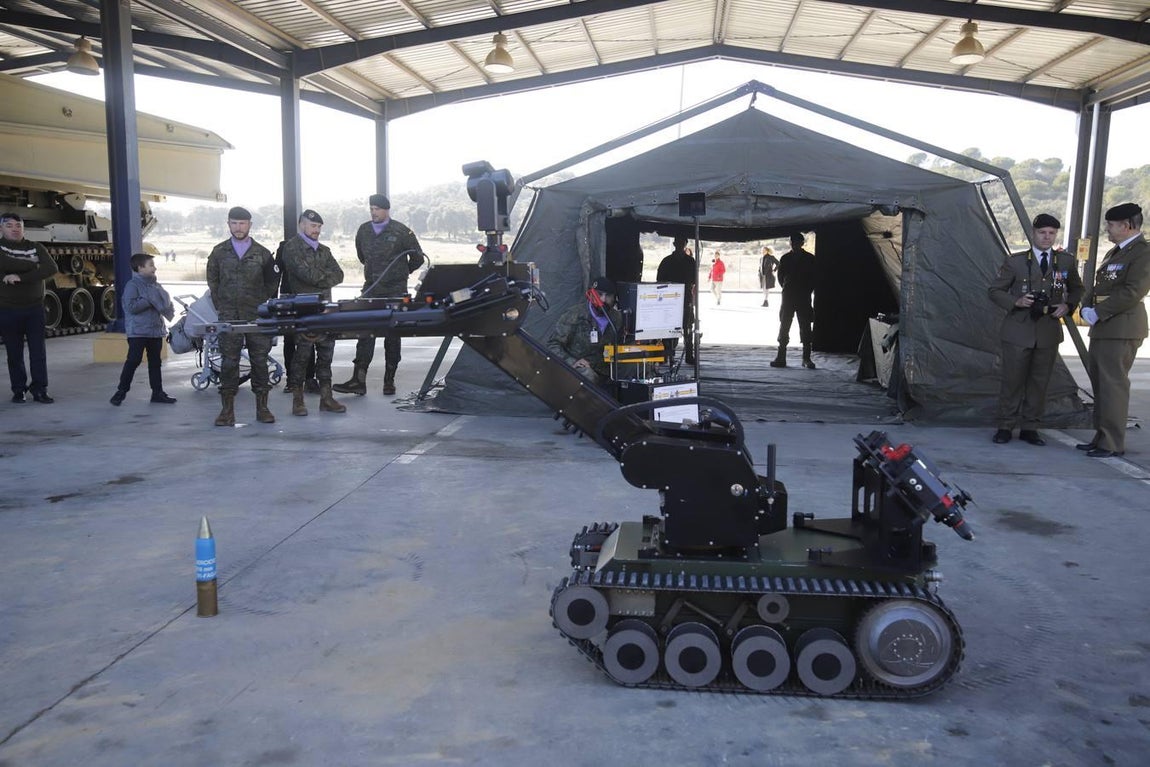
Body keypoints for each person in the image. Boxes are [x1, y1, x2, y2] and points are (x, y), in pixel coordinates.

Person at [987, 213, 1084, 445]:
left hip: (1048, 331)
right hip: (1018, 330)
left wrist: (1067, 305)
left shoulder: (1066, 261)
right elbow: (994, 290)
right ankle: (1005, 426)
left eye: (1052, 233)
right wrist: (1016, 302)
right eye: (1042, 233)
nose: (1047, 237)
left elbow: (1078, 289)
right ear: (1033, 233)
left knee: (1039, 382)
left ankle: (1030, 427)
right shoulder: (1016, 261)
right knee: (1012, 381)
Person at [1077, 202, 1150, 458]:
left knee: (1113, 386)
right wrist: (1087, 306)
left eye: (1111, 224)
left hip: (1122, 327)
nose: (1108, 228)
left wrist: (1099, 312)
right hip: (1105, 327)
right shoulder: (1116, 252)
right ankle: (1101, 436)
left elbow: (1134, 290)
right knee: (1101, 385)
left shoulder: (1142, 252)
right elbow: (1099, 287)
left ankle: (1112, 443)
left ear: (1127, 226)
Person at [334, 194, 424, 396]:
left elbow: (417, 257)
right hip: (371, 289)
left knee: (393, 334)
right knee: (365, 333)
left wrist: (400, 273)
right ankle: (358, 380)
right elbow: (361, 256)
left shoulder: (401, 231)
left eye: (377, 208)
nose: (373, 212)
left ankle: (389, 380)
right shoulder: (364, 230)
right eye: (371, 208)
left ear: (386, 210)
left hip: (395, 290)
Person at [206, 206, 280, 426]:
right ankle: (227, 411)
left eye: (242, 223)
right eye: (234, 223)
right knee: (229, 362)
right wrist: (223, 305)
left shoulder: (263, 253)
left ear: (250, 225)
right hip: (229, 316)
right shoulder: (219, 252)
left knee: (259, 360)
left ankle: (263, 408)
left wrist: (259, 300)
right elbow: (213, 281)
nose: (238, 228)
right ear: (228, 224)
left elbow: (272, 282)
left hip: (256, 315)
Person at [279, 210, 346, 417]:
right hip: (303, 310)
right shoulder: (291, 248)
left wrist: (321, 279)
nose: (316, 230)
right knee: (302, 356)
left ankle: (326, 398)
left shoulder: (324, 250)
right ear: (302, 225)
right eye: (312, 226)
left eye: (318, 227)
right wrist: (325, 278)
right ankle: (298, 400)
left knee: (326, 355)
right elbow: (305, 275)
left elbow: (340, 274)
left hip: (325, 310)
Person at [1, 212, 58, 403]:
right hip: (7, 309)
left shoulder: (36, 247)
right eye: (9, 226)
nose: (15, 229)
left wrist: (19, 277)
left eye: (18, 225)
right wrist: (33, 265)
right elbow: (4, 262)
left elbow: (51, 269)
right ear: (1, 228)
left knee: (38, 352)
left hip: (34, 308)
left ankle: (40, 389)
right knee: (14, 353)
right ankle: (19, 390)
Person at [110, 253, 177, 406]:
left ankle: (157, 393)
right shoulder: (133, 286)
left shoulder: (155, 285)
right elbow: (130, 307)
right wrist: (148, 299)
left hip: (155, 330)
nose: (155, 268)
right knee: (133, 361)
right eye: (151, 265)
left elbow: (164, 302)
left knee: (155, 363)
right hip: (138, 332)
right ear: (140, 268)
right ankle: (121, 391)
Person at [546, 276, 621, 385]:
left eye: (608, 296)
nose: (603, 300)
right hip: (579, 370)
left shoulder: (617, 318)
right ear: (591, 294)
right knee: (588, 375)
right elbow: (553, 345)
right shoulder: (574, 315)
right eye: (599, 294)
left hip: (605, 369)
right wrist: (572, 362)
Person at [772, 233, 818, 369]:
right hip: (789, 297)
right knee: (784, 325)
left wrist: (805, 289)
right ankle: (781, 357)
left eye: (796, 242)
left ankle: (806, 357)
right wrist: (789, 287)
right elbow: (781, 278)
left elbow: (814, 278)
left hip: (802, 297)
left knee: (805, 326)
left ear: (801, 243)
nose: (794, 244)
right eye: (792, 242)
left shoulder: (810, 259)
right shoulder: (785, 258)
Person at [656, 236, 697, 364]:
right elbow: (660, 281)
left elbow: (694, 280)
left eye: (682, 242)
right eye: (678, 242)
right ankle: (667, 355)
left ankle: (689, 355)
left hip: (685, 300)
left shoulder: (690, 261)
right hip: (670, 300)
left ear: (685, 244)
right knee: (668, 328)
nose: (680, 245)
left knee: (688, 329)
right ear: (674, 244)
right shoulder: (667, 261)